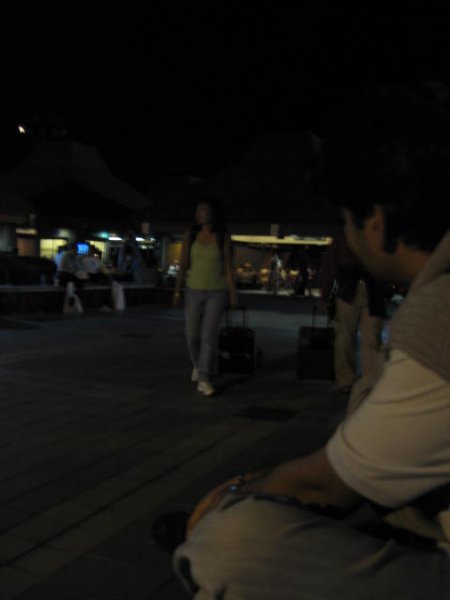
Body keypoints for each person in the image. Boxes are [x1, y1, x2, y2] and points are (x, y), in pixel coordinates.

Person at [172, 85, 450, 598]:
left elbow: (325, 484)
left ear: (375, 222)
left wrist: (232, 492)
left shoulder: (438, 314)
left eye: (346, 220)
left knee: (229, 545)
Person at [174, 197, 237, 396]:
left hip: (216, 292)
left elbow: (228, 268)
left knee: (208, 336)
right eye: (197, 210)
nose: (199, 214)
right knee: (191, 335)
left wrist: (232, 293)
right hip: (193, 290)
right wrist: (177, 290)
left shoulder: (222, 236)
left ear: (212, 213)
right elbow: (183, 263)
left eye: (203, 210)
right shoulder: (191, 234)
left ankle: (204, 378)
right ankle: (198, 365)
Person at [320, 229, 386, 394]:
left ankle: (346, 380)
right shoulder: (377, 233)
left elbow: (330, 265)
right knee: (371, 339)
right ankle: (371, 380)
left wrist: (325, 293)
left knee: (345, 336)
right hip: (373, 288)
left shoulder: (344, 235)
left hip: (348, 288)